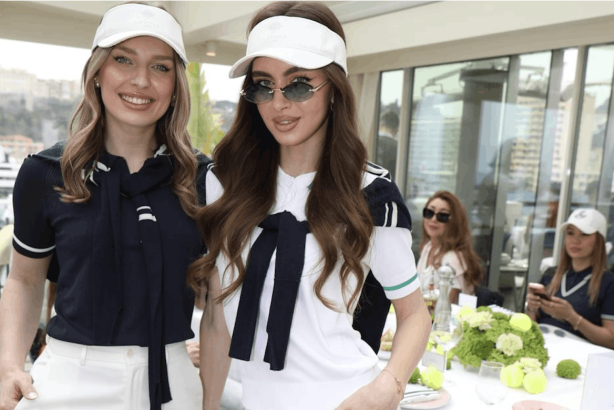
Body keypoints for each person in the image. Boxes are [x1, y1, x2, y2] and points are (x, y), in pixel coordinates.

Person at [188, 2, 431, 410]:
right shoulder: (222, 184)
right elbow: (215, 319)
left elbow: (414, 314)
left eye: (298, 84)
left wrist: (387, 386)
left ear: (334, 88)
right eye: (263, 86)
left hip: (347, 398)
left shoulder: (371, 194)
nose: (279, 103)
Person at [0, 3, 209, 410]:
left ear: (175, 83)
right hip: (68, 378)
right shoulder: (45, 173)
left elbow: (218, 293)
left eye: (160, 67)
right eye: (123, 60)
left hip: (172, 381)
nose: (141, 80)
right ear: (97, 72)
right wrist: (8, 364)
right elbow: (25, 280)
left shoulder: (204, 179)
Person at [526, 208, 614, 349]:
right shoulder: (551, 274)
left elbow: (612, 340)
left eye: (584, 234)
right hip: (540, 347)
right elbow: (531, 326)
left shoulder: (609, 283)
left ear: (599, 240)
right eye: (570, 233)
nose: (575, 240)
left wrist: (572, 317)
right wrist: (531, 309)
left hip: (578, 356)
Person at [417, 190, 484, 304]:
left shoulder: (454, 258)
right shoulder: (427, 247)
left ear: (454, 222)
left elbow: (445, 305)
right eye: (429, 212)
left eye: (442, 216)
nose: (433, 219)